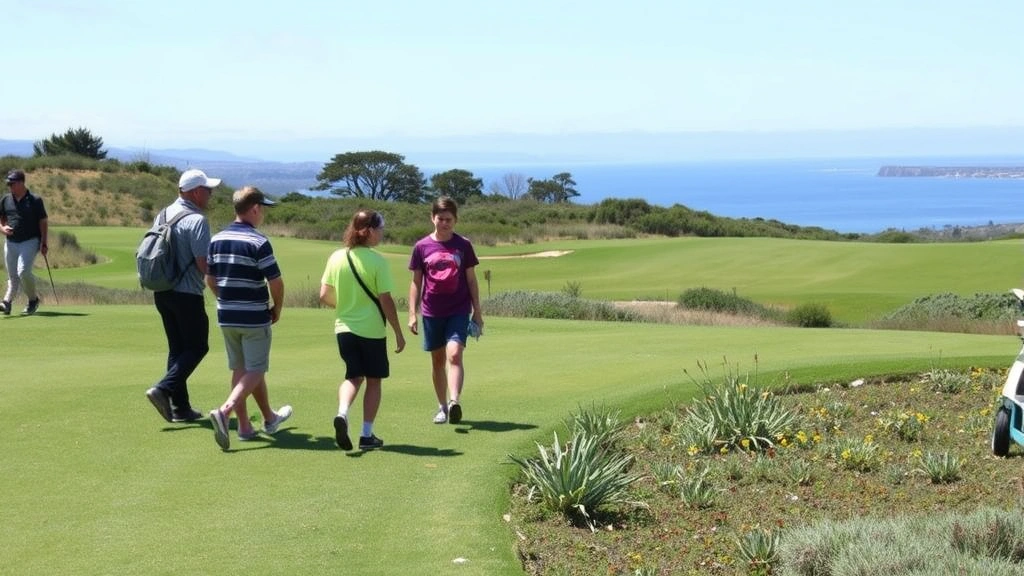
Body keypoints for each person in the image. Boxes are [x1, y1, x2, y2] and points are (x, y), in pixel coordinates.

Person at [206, 186, 292, 451]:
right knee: (256, 369)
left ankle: (249, 425)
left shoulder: (216, 239)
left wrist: (226, 299)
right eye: (262, 208)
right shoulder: (258, 241)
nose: (263, 213)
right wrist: (276, 308)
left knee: (241, 370)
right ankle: (225, 410)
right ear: (254, 209)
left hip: (226, 314)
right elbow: (275, 282)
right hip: (253, 315)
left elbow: (210, 279)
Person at [320, 210, 405, 451]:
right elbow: (386, 300)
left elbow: (324, 295)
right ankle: (366, 434)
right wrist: (398, 332)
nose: (382, 234)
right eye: (379, 229)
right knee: (374, 380)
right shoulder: (378, 261)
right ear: (368, 231)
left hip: (343, 329)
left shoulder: (336, 257)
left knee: (353, 376)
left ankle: (342, 413)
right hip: (371, 331)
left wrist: (348, 305)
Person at [144, 169, 217, 424]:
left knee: (177, 350)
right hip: (187, 294)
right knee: (198, 346)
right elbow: (202, 263)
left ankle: (181, 407)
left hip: (162, 291)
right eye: (207, 190)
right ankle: (163, 389)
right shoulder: (197, 220)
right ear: (196, 192)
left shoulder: (163, 214)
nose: (210, 195)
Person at [407, 196, 483, 425]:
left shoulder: (463, 245)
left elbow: (471, 280)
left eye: (449, 219)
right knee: (438, 361)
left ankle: (454, 401)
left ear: (455, 220)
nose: (445, 223)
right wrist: (412, 313)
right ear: (432, 218)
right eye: (440, 219)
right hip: (431, 311)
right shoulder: (421, 247)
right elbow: (416, 283)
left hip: (458, 309)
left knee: (454, 354)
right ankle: (442, 407)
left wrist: (477, 311)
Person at [0, 169, 48, 316]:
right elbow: (1, 218)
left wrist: (44, 242)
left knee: (23, 271)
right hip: (11, 242)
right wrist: (2, 228)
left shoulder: (35, 200)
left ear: (21, 183)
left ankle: (33, 300)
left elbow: (43, 221)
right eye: (9, 184)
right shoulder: (5, 199)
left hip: (30, 241)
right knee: (13, 276)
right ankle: (7, 303)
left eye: (12, 184)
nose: (10, 187)